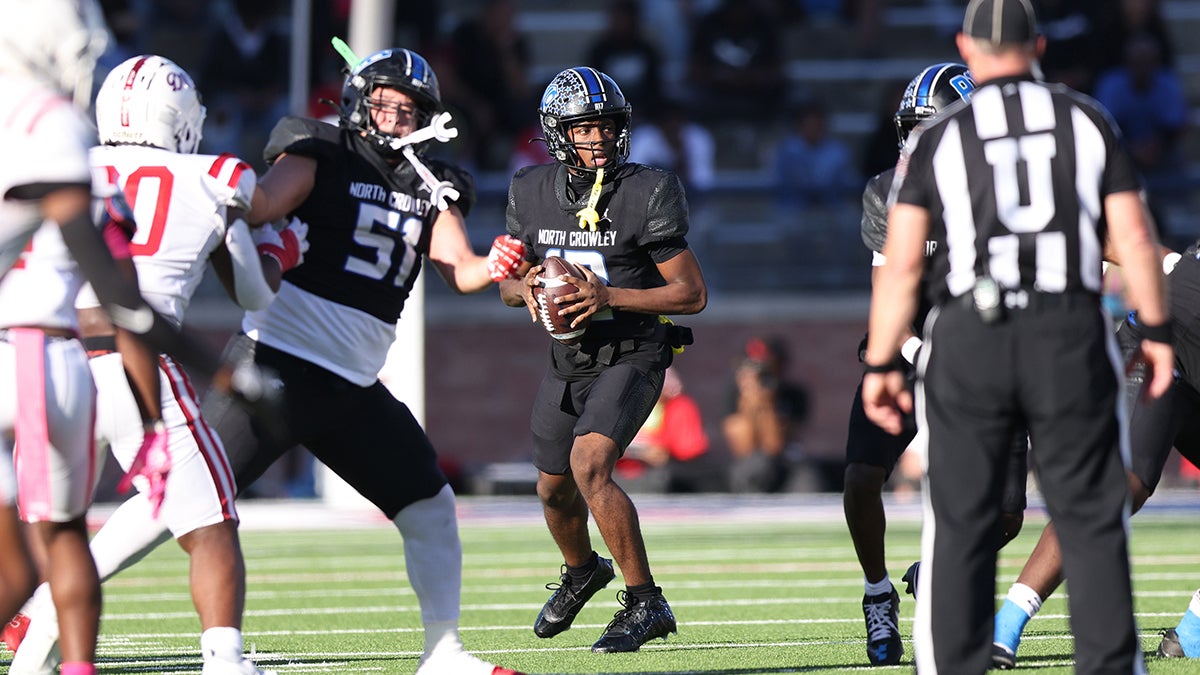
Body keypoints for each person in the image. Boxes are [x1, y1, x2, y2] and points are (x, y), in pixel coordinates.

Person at [7, 45, 530, 675]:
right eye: (384, 102)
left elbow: (461, 268)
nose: (393, 116)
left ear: (427, 115)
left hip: (354, 382)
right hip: (278, 362)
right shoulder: (320, 149)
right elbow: (259, 204)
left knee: (430, 506)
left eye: (407, 107)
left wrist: (496, 262)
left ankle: (443, 653)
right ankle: (44, 610)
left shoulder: (431, 183)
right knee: (172, 500)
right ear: (359, 101)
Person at [860, 0, 1174, 672]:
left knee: (961, 522)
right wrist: (1155, 327)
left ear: (965, 48)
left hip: (970, 335)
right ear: (1037, 46)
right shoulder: (1085, 118)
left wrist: (884, 359)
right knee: (1090, 515)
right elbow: (1133, 237)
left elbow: (902, 264)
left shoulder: (938, 138)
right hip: (1067, 330)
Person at [0, 3, 278, 674]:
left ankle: (38, 654)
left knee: (40, 541)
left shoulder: (50, 149)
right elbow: (249, 294)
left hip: (29, 352)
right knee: (209, 520)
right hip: (116, 361)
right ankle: (224, 657)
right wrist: (278, 251)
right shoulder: (213, 176)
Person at [499, 66, 707, 653]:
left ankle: (646, 602)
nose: (599, 137)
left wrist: (609, 295)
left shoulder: (648, 189)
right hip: (569, 357)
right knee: (552, 488)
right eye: (585, 128)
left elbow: (692, 293)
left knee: (590, 464)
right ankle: (583, 570)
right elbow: (508, 286)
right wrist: (527, 285)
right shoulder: (529, 188)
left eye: (608, 125)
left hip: (635, 348)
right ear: (558, 132)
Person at [841, 61, 1032, 667]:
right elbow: (888, 300)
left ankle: (937, 568)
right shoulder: (888, 191)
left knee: (1006, 514)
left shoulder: (1012, 189)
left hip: (991, 355)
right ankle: (878, 594)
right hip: (909, 352)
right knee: (861, 476)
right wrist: (918, 354)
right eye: (916, 128)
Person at [991, 244, 1200, 668]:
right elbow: (1123, 237)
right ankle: (1005, 625)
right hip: (1160, 350)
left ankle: (1192, 633)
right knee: (1119, 486)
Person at [722, 336, 810, 494]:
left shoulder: (793, 394)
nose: (759, 380)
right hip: (747, 466)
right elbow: (742, 449)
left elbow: (774, 447)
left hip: (786, 465)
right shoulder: (733, 395)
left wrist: (767, 406)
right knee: (751, 470)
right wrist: (748, 406)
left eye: (765, 373)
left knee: (808, 479)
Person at [614, 366, 712, 493]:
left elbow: (685, 449)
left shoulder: (679, 407)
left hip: (661, 475)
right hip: (620, 472)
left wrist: (658, 451)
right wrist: (640, 454)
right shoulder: (620, 408)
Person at [770, 100, 858, 211]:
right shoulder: (787, 150)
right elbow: (787, 183)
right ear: (800, 126)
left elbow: (840, 183)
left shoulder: (838, 151)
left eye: (816, 125)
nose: (813, 129)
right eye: (809, 125)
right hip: (793, 209)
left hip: (831, 210)